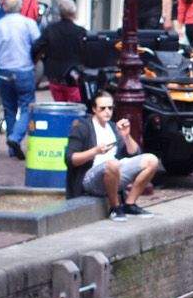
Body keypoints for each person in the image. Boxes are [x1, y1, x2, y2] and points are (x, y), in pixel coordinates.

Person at [65, 91, 160, 220]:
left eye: (110, 108)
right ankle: (115, 208)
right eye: (102, 108)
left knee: (151, 160)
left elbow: (134, 153)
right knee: (112, 164)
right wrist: (95, 151)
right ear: (94, 109)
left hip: (114, 174)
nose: (107, 112)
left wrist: (126, 136)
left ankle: (129, 204)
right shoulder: (82, 127)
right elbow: (70, 159)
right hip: (89, 180)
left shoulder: (113, 127)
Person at [0, 0, 40, 159]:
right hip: (24, 69)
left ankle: (13, 149)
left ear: (5, 7)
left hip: (4, 70)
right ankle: (15, 137)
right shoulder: (29, 23)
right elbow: (38, 44)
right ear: (20, 7)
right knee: (28, 106)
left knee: (9, 108)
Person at [37, 0, 88, 103]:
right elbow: (87, 53)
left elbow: (38, 47)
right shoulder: (80, 32)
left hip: (54, 75)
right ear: (74, 13)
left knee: (59, 105)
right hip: (73, 76)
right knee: (75, 105)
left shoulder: (50, 30)